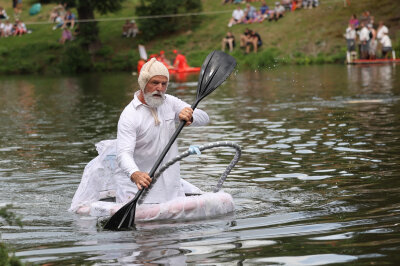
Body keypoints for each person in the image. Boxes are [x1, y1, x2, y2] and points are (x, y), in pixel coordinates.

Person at [115, 58, 209, 203]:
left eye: (164, 84)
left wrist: (190, 116)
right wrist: (135, 173)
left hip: (171, 187)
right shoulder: (130, 115)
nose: (160, 88)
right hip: (139, 189)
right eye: (155, 83)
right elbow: (123, 154)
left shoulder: (170, 102)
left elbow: (205, 117)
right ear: (143, 83)